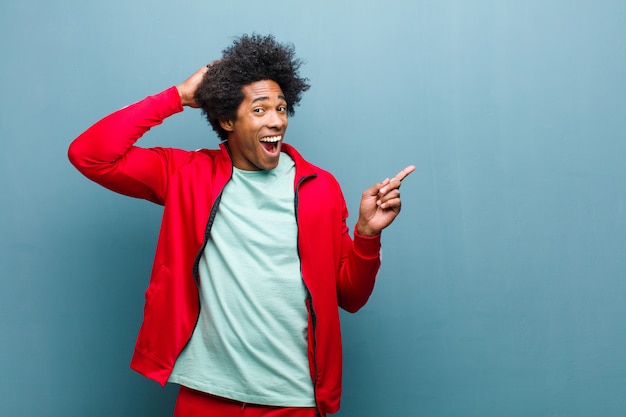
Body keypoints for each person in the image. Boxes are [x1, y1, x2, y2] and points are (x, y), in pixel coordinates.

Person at [68, 34, 414, 417]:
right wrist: (178, 97)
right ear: (227, 119)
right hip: (208, 392)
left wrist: (367, 235)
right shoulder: (187, 175)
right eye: (261, 109)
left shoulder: (321, 188)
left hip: (292, 397)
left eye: (282, 108)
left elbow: (349, 296)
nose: (276, 121)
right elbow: (90, 155)